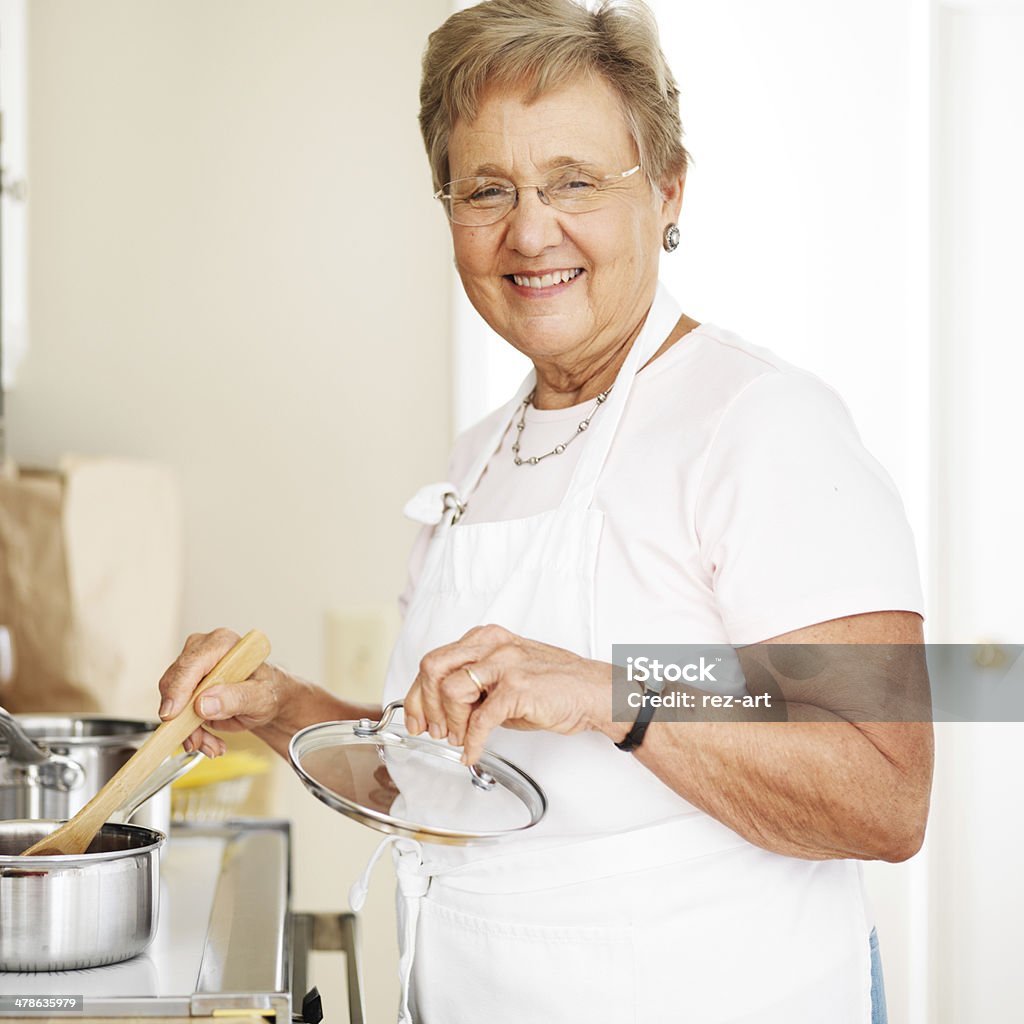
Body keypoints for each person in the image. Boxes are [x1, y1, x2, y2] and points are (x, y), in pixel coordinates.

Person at [157, 1, 933, 1021]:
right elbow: (438, 779)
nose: (528, 230)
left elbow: (885, 792)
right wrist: (282, 706)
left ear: (666, 189)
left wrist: (611, 693)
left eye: (573, 182)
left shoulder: (758, 425)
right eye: (487, 190)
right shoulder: (481, 457)